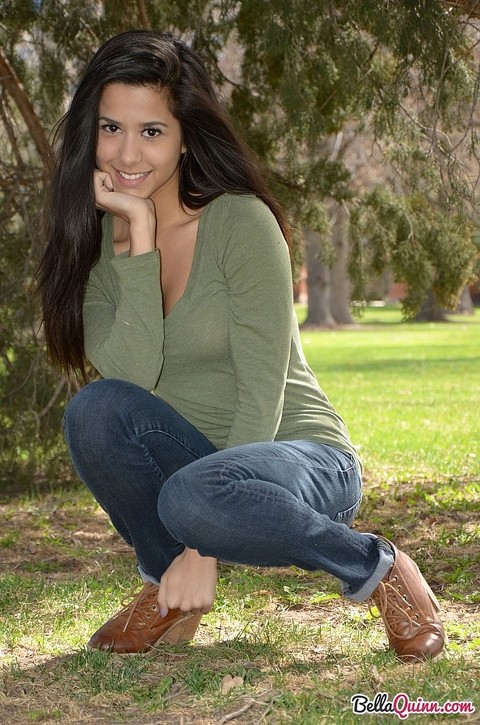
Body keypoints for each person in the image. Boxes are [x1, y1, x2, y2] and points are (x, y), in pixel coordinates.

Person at [37, 29, 445, 662]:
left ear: (184, 135)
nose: (127, 153)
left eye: (152, 132)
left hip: (296, 454)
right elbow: (132, 381)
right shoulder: (99, 262)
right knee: (93, 411)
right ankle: (167, 590)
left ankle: (380, 567)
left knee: (195, 494)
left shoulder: (238, 222)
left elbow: (264, 387)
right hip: (197, 474)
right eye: (111, 127)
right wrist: (139, 235)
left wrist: (203, 546)